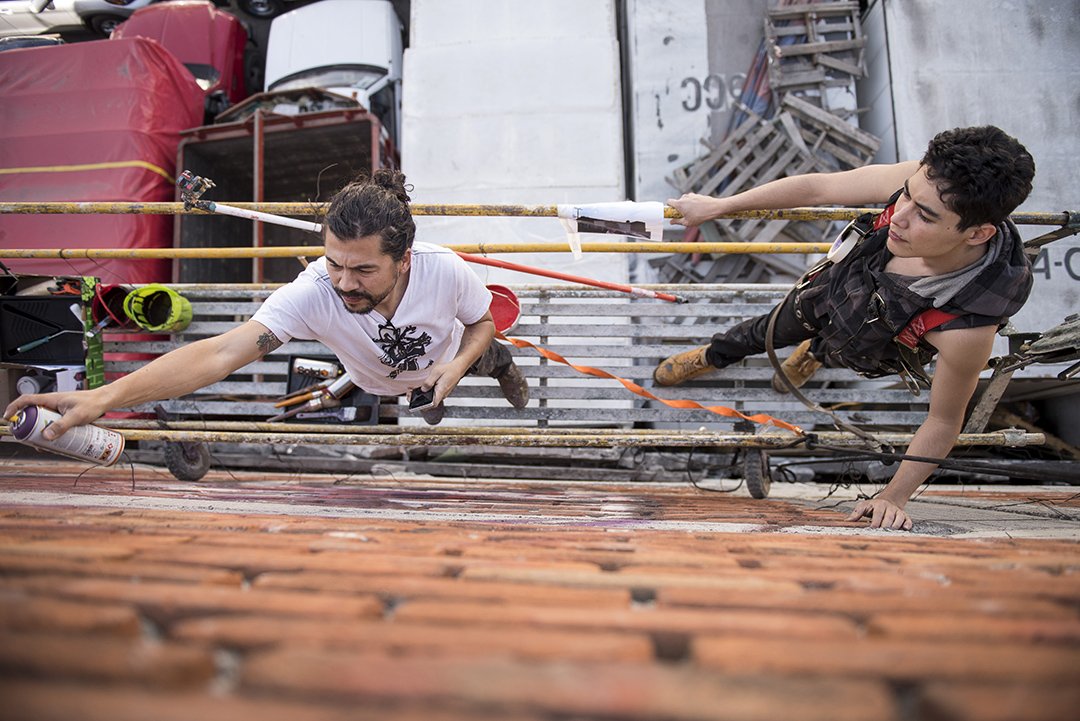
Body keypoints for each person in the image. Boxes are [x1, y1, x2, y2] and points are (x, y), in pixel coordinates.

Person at [656, 126, 1035, 531]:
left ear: (977, 234)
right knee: (766, 329)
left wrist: (894, 494)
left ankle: (815, 355)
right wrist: (720, 206)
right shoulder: (930, 182)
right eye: (906, 195)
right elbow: (818, 188)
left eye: (925, 216)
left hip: (877, 340)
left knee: (837, 350)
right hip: (834, 290)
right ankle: (714, 356)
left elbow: (943, 421)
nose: (899, 218)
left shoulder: (966, 326)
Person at [6, 169, 529, 433]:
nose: (345, 283)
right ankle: (429, 400)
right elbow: (220, 353)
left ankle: (501, 374)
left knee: (493, 355)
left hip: (452, 355)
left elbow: (481, 320)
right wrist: (101, 398)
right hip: (379, 380)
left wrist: (459, 365)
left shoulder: (444, 269)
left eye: (364, 269)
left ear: (405, 259)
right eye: (335, 263)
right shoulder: (315, 294)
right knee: (419, 405)